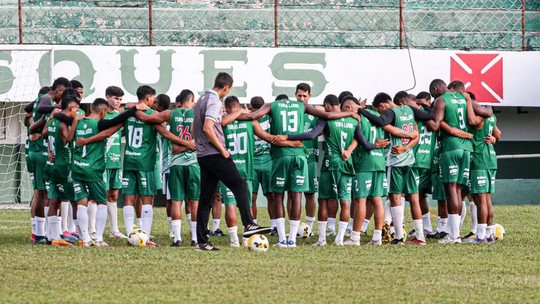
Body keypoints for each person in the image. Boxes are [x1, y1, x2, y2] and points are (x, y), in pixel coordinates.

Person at [246, 88, 358, 248]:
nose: (302, 98)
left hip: (281, 155)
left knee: (278, 196)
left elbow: (252, 116)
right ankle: (291, 240)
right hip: (300, 156)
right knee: (297, 195)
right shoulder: (302, 107)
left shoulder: (272, 105)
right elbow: (329, 116)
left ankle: (282, 240)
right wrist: (350, 113)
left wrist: (233, 115)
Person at [287, 94, 388, 246]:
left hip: (330, 163)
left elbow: (313, 134)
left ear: (327, 105)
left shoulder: (327, 118)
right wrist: (376, 145)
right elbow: (365, 144)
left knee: (324, 200)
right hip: (348, 163)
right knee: (346, 201)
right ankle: (340, 239)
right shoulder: (354, 120)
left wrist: (288, 137)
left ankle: (322, 239)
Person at [193, 72, 271, 251]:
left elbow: (195, 127)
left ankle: (203, 242)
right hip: (214, 153)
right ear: (227, 87)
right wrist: (223, 150)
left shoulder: (201, 99)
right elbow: (207, 127)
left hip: (203, 155)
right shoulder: (214, 101)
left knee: (206, 199)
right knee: (240, 184)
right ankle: (249, 224)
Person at [62, 98, 147, 246]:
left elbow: (68, 137)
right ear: (103, 112)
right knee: (102, 202)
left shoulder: (79, 121)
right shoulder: (99, 124)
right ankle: (99, 238)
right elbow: (112, 125)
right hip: (94, 169)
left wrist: (74, 122)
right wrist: (132, 111)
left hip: (77, 167)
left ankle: (86, 239)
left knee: (81, 202)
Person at [220, 96, 301, 247]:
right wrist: (291, 142)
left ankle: (234, 240)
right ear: (240, 107)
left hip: (228, 167)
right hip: (247, 168)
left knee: (231, 204)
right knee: (247, 203)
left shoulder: (222, 122)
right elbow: (269, 138)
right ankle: (246, 237)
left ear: (226, 108)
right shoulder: (251, 121)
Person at [358, 92, 432, 245]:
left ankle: (399, 236)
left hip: (396, 160)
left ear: (383, 106)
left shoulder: (390, 113)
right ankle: (420, 237)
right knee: (414, 197)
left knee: (395, 197)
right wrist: (406, 148)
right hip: (410, 159)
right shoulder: (410, 110)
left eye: (380, 110)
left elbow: (379, 121)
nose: (381, 113)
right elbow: (417, 132)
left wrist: (361, 110)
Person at [428, 79, 492, 244]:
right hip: (467, 149)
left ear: (436, 88)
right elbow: (487, 113)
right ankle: (462, 233)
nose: (432, 96)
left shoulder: (440, 100)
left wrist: (425, 116)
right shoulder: (464, 98)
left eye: (432, 93)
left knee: (451, 190)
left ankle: (454, 235)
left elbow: (435, 126)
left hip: (450, 147)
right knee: (459, 190)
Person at [341, 96, 398, 245]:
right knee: (377, 199)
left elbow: (361, 142)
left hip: (364, 163)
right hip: (379, 162)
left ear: (348, 108)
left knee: (360, 200)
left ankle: (355, 238)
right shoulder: (379, 116)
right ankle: (377, 237)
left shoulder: (357, 118)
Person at [28, 77, 71, 244]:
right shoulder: (46, 99)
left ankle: (46, 232)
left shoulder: (43, 103)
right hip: (39, 152)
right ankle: (38, 234)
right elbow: (41, 107)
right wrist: (58, 108)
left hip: (41, 150)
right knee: (42, 193)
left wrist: (36, 125)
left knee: (46, 193)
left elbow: (31, 113)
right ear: (59, 91)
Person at [42, 94, 79, 246]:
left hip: (51, 165)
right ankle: (83, 236)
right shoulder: (64, 124)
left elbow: (44, 134)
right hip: (63, 166)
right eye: (76, 109)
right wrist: (76, 123)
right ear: (71, 108)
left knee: (54, 200)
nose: (77, 112)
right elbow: (69, 139)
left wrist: (50, 118)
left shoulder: (53, 120)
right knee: (76, 200)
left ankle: (54, 237)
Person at [464, 91, 501, 243]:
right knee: (486, 198)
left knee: (480, 199)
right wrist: (493, 139)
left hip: (480, 160)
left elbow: (473, 121)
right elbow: (498, 134)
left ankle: (480, 236)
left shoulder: (479, 116)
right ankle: (489, 233)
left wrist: (467, 101)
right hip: (490, 159)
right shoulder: (491, 116)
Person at [103, 86, 127, 239]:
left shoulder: (119, 116)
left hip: (116, 161)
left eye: (120, 99)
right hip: (102, 162)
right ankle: (92, 230)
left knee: (114, 194)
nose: (118, 102)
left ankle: (114, 230)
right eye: (115, 98)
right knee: (97, 196)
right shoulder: (101, 115)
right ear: (107, 97)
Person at [249, 96, 275, 234]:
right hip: (252, 161)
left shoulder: (269, 117)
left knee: (270, 195)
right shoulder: (247, 118)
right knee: (252, 196)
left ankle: (274, 226)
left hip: (267, 160)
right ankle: (254, 225)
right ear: (250, 109)